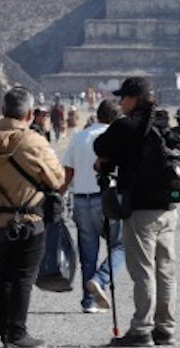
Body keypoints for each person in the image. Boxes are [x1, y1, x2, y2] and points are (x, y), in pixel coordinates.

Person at [94, 75, 177, 348]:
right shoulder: (162, 120)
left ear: (134, 99)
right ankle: (165, 329)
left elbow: (100, 146)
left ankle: (141, 329)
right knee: (165, 270)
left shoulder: (126, 126)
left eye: (123, 97)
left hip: (140, 209)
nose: (119, 102)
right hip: (168, 208)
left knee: (143, 271)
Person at [0, 85, 66, 348]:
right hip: (28, 219)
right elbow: (57, 178)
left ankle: (4, 331)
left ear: (3, 110)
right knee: (23, 278)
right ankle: (17, 333)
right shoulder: (32, 141)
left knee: (2, 275)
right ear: (28, 114)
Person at [64, 98, 123, 314]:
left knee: (88, 253)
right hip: (107, 198)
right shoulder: (115, 138)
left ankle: (89, 301)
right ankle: (102, 277)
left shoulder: (79, 137)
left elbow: (68, 171)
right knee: (120, 245)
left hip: (81, 199)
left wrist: (58, 196)